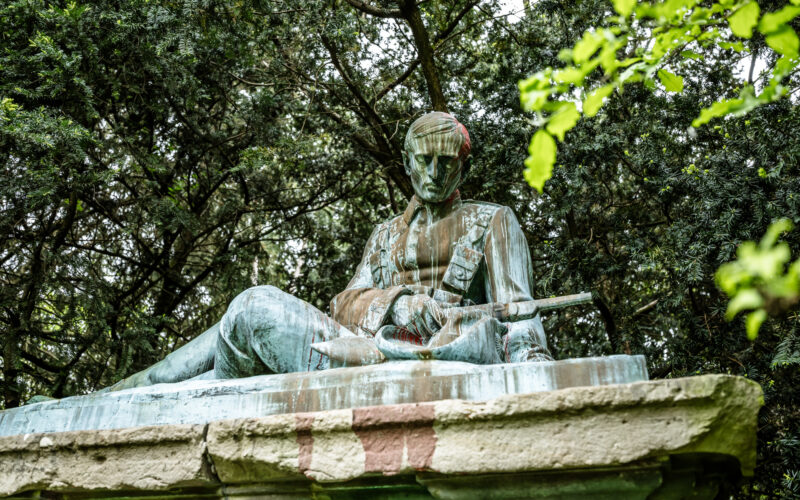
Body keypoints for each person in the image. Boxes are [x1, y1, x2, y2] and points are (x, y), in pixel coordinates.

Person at [106, 112, 551, 392]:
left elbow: (521, 314)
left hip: (420, 356)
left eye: (447, 162)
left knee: (251, 309)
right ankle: (125, 392)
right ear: (406, 161)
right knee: (237, 323)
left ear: (463, 166)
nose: (434, 173)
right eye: (424, 160)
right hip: (354, 343)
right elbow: (344, 303)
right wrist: (397, 303)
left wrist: (536, 370)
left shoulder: (494, 221)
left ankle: (140, 392)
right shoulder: (385, 234)